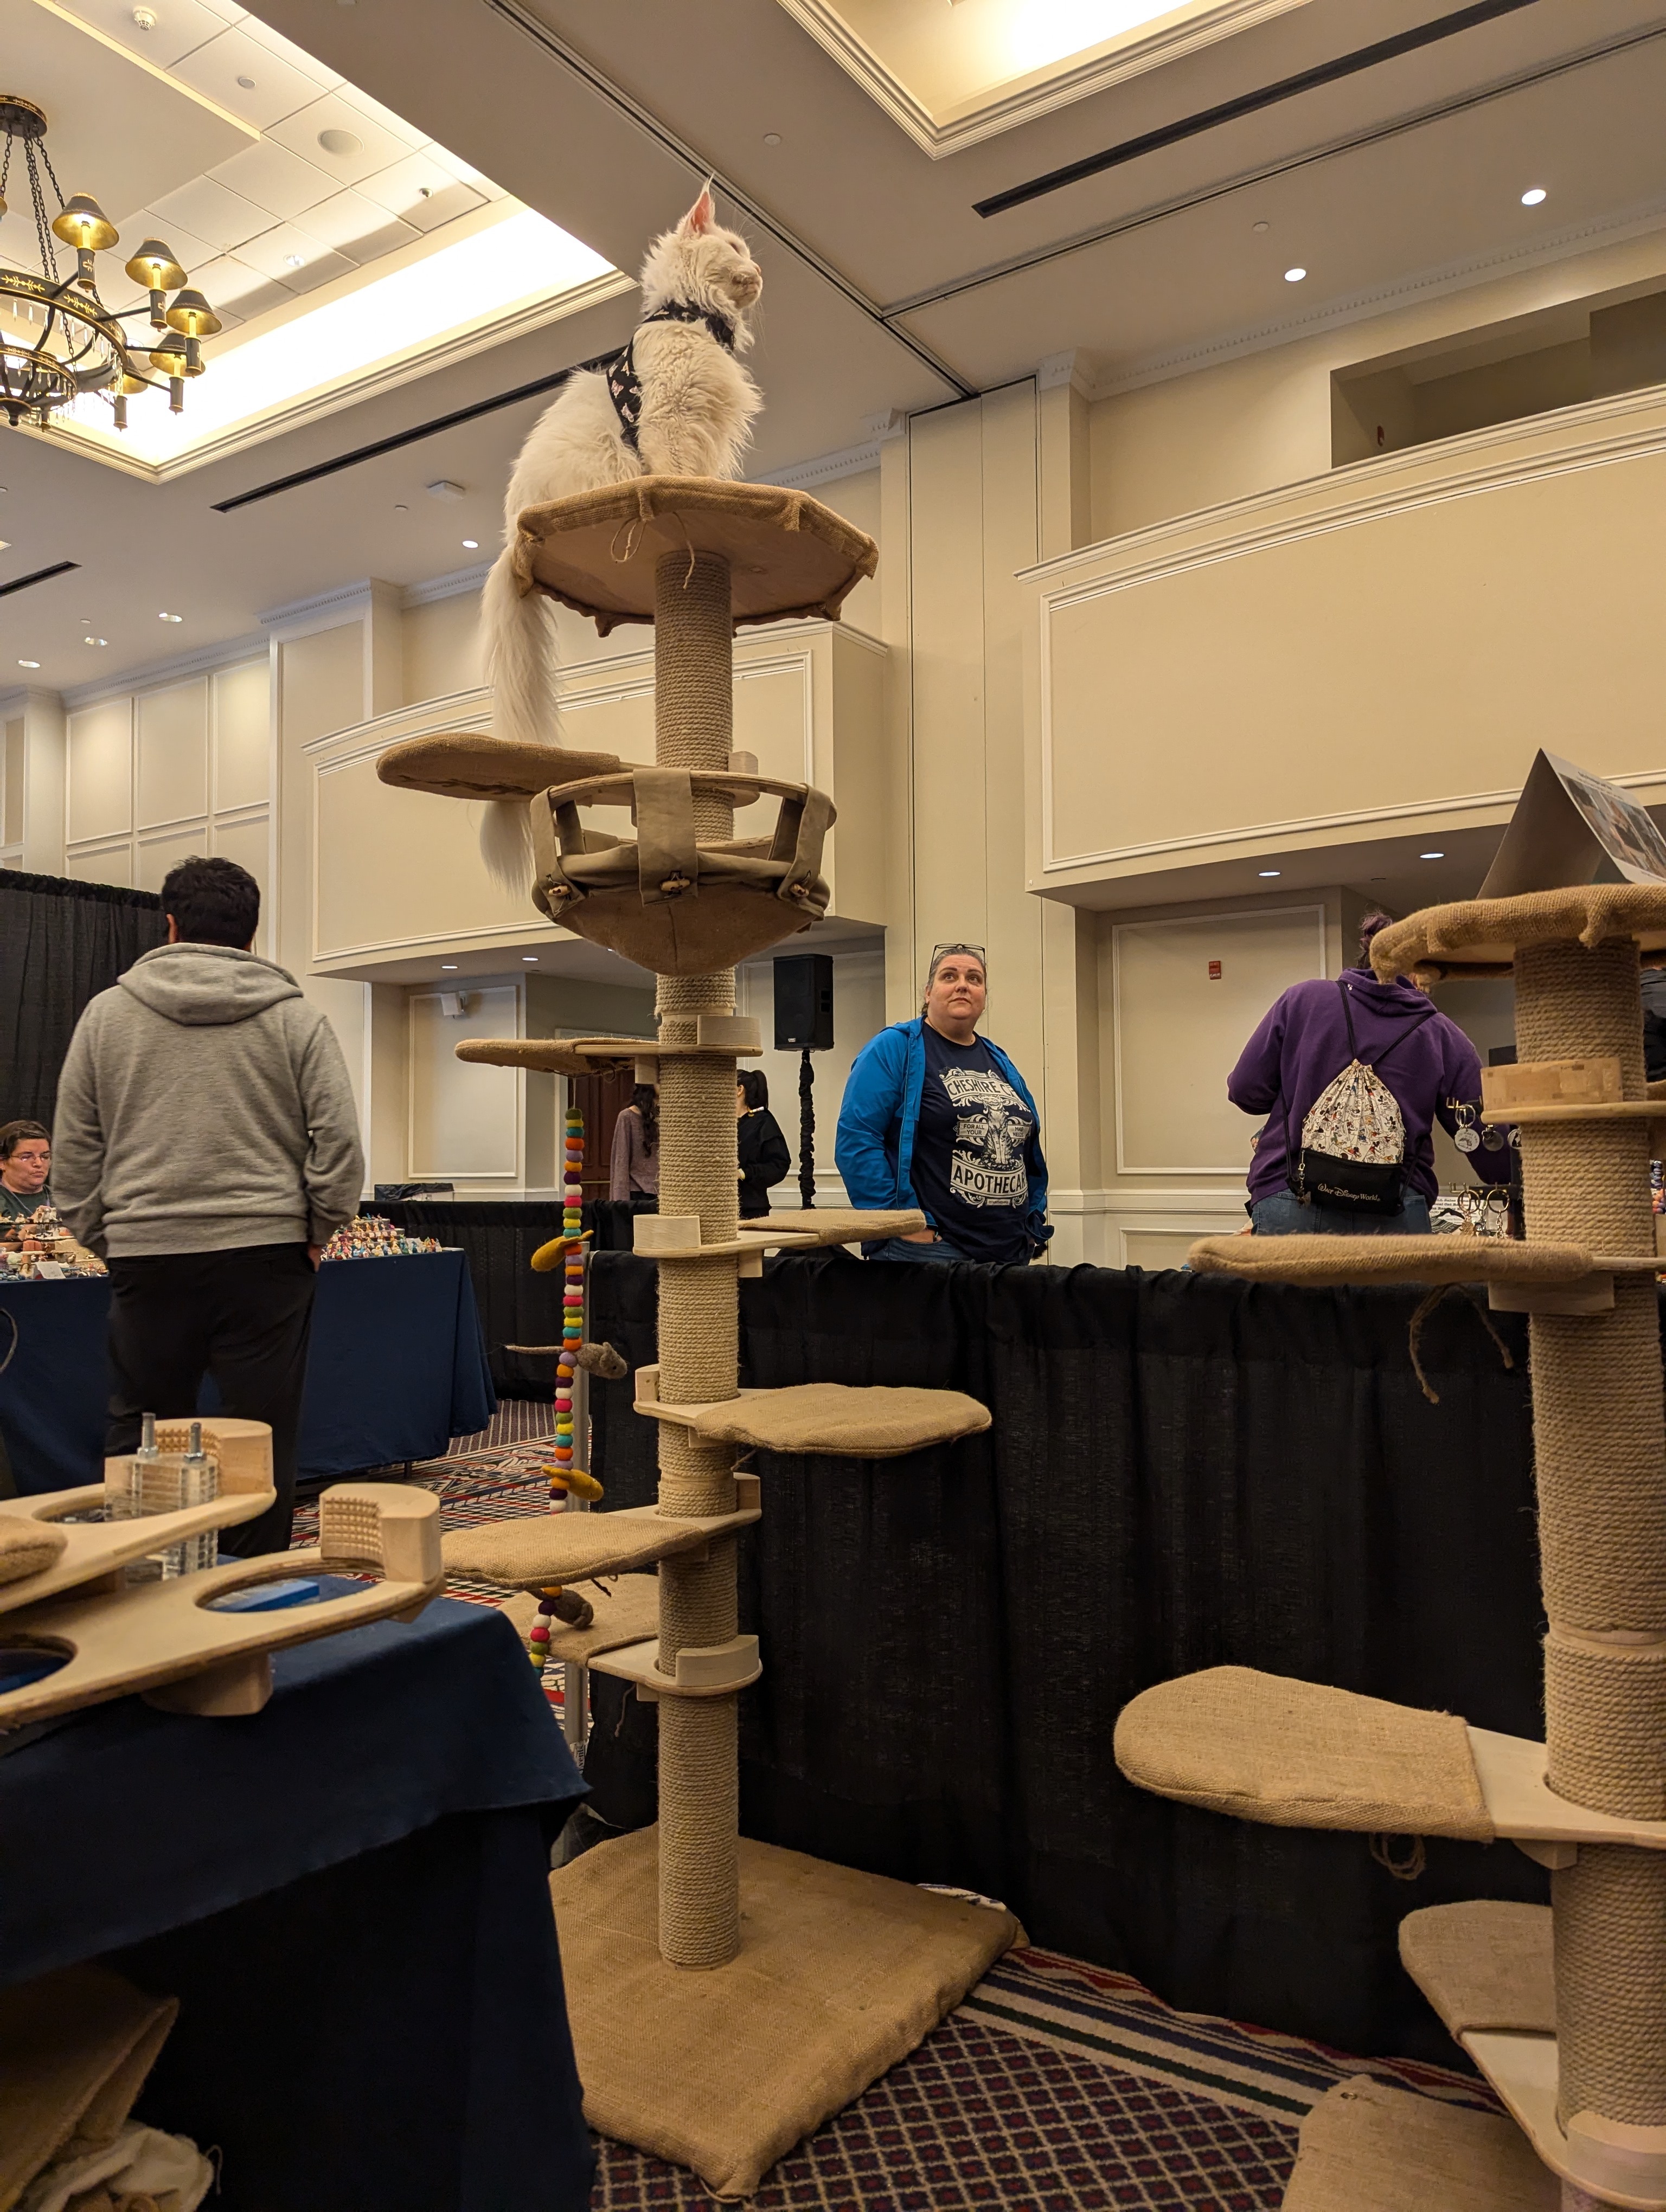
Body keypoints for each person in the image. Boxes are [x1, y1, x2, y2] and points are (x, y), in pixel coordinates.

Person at [52, 856, 364, 1552]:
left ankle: (139, 1577)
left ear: (169, 925)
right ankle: (250, 1591)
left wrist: (109, 1235)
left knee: (142, 1427)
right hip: (269, 1253)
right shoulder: (297, 1019)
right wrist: (318, 1228)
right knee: (263, 1433)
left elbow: (73, 1148)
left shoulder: (106, 1016)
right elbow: (339, 1140)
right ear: (252, 934)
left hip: (147, 1250)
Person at [1229, 912, 1508, 1235]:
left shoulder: (1303, 1000)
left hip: (1291, 1195)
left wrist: (1304, 1082)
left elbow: (1245, 1092)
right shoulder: (1441, 1034)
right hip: (1395, 1206)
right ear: (1418, 973)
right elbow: (1492, 1148)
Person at [836, 943, 1049, 1263]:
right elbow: (857, 1139)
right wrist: (902, 1223)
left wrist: (1033, 1219)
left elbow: (1028, 1147)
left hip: (1009, 1250)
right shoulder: (894, 1047)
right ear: (928, 992)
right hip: (932, 1251)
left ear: (984, 996)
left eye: (974, 979)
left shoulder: (997, 1058)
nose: (963, 985)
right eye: (949, 976)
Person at [736, 1070, 790, 1218]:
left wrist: (743, 1173)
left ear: (740, 1090)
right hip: (716, 1206)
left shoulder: (764, 1122)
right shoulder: (721, 1122)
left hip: (751, 1209)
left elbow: (779, 1165)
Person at [609, 1082, 659, 1202]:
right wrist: (620, 1203)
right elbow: (621, 1161)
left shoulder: (669, 1116)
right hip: (638, 1195)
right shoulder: (627, 1117)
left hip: (667, 1193)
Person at [0, 1122, 52, 1220]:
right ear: (2, 1163)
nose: (39, 1163)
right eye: (27, 1157)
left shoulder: (65, 1201)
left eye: (45, 1156)